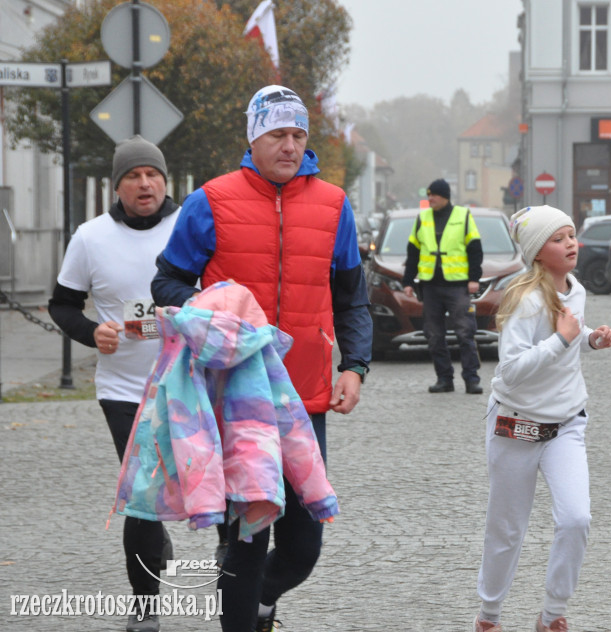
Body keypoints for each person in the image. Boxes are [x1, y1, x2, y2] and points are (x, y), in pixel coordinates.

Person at [150, 84, 371, 632]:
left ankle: (261, 602)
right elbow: (167, 280)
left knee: (303, 545)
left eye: (298, 135)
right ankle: (242, 617)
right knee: (246, 543)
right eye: (278, 134)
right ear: (254, 138)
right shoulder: (211, 201)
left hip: (304, 396)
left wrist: (355, 365)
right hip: (233, 396)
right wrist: (210, 309)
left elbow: (351, 298)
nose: (290, 146)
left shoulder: (334, 205)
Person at [48, 135, 179, 632]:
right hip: (124, 390)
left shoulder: (190, 224)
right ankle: (145, 610)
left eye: (152, 174)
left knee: (192, 484)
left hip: (187, 384)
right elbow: (61, 304)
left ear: (164, 180)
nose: (144, 184)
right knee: (144, 494)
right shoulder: (90, 237)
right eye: (133, 176)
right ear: (117, 185)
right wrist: (91, 332)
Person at [474, 205, 611, 632]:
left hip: (566, 423)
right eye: (559, 238)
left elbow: (572, 332)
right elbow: (510, 370)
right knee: (507, 530)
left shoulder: (577, 289)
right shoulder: (525, 300)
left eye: (571, 235)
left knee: (576, 518)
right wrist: (562, 339)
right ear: (537, 252)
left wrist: (589, 339)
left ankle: (552, 613)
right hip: (515, 425)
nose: (570, 243)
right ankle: (489, 616)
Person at [402, 178, 484, 394]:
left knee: (465, 333)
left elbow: (475, 249)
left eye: (434, 195)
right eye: (428, 195)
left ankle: (471, 379)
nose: (430, 199)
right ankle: (444, 379)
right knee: (434, 335)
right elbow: (413, 252)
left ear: (445, 196)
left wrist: (474, 278)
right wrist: (408, 281)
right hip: (430, 286)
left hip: (457, 286)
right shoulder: (423, 218)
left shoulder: (463, 216)